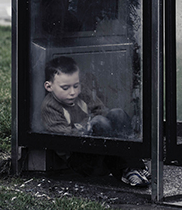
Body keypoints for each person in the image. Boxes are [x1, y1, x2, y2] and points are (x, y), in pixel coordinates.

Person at [41, 55, 150, 187]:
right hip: (81, 159)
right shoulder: (50, 106)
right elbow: (63, 135)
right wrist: (88, 126)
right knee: (99, 122)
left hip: (100, 148)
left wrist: (98, 124)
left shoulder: (82, 93)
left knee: (117, 113)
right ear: (49, 86)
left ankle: (135, 166)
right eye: (65, 88)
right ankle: (126, 170)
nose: (73, 92)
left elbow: (101, 110)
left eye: (76, 85)